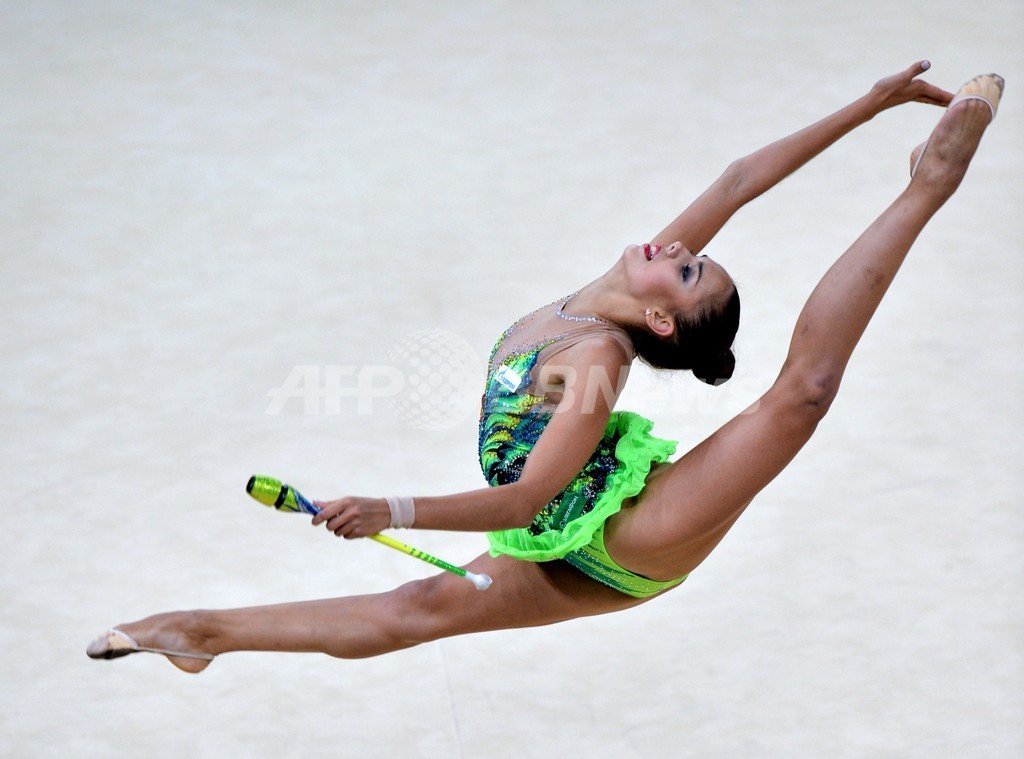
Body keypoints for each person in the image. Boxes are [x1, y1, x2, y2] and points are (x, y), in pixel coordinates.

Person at [87, 63, 1003, 673]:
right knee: (414, 609)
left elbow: (527, 498)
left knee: (802, 395)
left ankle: (928, 187)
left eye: (688, 270)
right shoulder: (608, 293)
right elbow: (734, 182)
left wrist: (391, 508)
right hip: (560, 538)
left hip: (629, 537)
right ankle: (199, 632)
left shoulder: (596, 360)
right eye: (693, 254)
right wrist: (869, 105)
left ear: (659, 318)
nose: (679, 246)